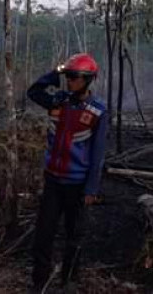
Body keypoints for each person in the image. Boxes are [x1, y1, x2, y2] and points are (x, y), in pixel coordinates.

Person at [27, 53, 109, 290]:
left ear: (88, 80)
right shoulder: (58, 101)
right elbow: (34, 91)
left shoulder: (97, 112)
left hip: (78, 184)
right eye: (68, 76)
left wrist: (92, 188)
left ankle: (68, 282)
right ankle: (38, 283)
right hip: (53, 180)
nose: (69, 81)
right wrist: (57, 71)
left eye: (74, 77)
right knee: (43, 235)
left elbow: (98, 153)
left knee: (74, 236)